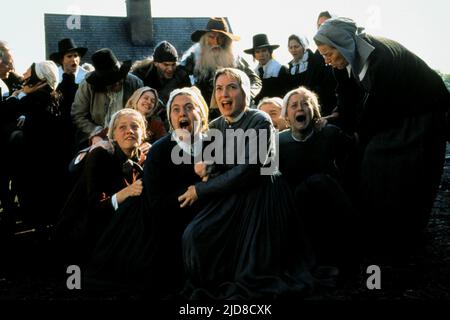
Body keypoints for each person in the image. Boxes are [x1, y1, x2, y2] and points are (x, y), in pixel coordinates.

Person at [314, 17, 450, 255]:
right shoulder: (343, 61)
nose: (326, 61)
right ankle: (377, 223)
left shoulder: (380, 58)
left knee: (395, 161)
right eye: (322, 55)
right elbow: (347, 97)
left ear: (343, 45)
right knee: (370, 157)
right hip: (396, 109)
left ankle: (402, 233)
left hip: (422, 107)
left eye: (328, 54)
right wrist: (336, 119)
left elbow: (378, 109)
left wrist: (357, 136)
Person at [179, 68, 315, 300]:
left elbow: (249, 171)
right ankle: (212, 280)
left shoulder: (259, 120)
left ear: (244, 93)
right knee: (195, 235)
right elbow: (211, 162)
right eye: (219, 88)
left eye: (232, 87)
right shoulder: (215, 125)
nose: (225, 94)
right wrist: (205, 166)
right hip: (230, 194)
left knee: (252, 268)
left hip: (263, 195)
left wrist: (200, 190)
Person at [84, 87, 209, 297]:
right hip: (155, 224)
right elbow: (156, 204)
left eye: (189, 107)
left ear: (201, 113)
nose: (182, 114)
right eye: (176, 109)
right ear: (170, 117)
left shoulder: (214, 144)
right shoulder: (161, 150)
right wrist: (194, 191)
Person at [54, 108, 146, 264]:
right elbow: (94, 208)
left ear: (143, 133)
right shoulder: (100, 155)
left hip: (117, 230)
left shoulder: (142, 160)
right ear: (113, 135)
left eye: (135, 126)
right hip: (84, 232)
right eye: (122, 127)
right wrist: (126, 193)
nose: (129, 131)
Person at [278, 86, 356, 267]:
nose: (300, 109)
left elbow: (355, 147)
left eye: (306, 104)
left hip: (332, 203)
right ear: (286, 115)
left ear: (314, 111)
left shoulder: (330, 134)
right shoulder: (277, 142)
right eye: (294, 105)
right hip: (297, 210)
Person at [180, 17, 261, 119]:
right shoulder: (194, 57)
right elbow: (176, 77)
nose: (216, 42)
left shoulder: (235, 58)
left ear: (226, 40)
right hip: (203, 114)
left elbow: (255, 80)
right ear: (205, 38)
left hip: (230, 113)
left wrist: (245, 95)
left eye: (221, 37)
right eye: (211, 37)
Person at [71, 48, 143, 147]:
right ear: (102, 82)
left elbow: (145, 112)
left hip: (128, 137)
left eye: (119, 77)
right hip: (95, 139)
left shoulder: (135, 83)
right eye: (112, 81)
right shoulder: (87, 86)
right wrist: (95, 133)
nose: (118, 83)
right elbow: (78, 115)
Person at [286, 34, 336, 116]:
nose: (293, 50)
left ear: (304, 46)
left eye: (296, 47)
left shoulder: (316, 60)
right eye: (290, 47)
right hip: (301, 107)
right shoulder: (292, 67)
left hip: (320, 103)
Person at [131, 41, 191, 107]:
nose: (170, 69)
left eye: (173, 64)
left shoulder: (181, 75)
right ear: (156, 63)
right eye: (166, 65)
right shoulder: (141, 75)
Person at [244, 33, 289, 104]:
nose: (261, 54)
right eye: (257, 52)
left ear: (270, 52)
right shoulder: (254, 73)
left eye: (264, 50)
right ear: (254, 55)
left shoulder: (280, 69)